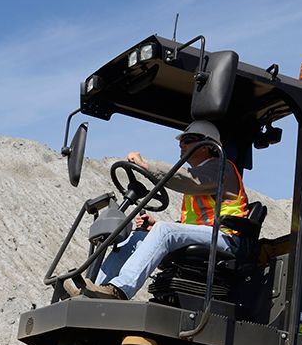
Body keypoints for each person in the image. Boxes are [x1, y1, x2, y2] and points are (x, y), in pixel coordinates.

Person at [81, 120, 248, 300]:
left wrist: (147, 166)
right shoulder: (202, 175)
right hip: (209, 235)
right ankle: (92, 291)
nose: (181, 145)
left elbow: (188, 179)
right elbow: (196, 223)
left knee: (165, 230)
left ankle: (120, 289)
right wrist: (154, 226)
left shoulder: (221, 167)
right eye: (180, 142)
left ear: (206, 145)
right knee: (135, 238)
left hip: (227, 237)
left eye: (188, 140)